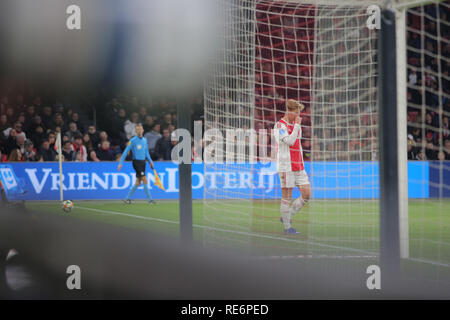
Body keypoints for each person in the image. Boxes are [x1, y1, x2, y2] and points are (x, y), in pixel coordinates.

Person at [273, 99, 311, 234]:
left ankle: (286, 216)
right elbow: (290, 141)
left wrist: (296, 126)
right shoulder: (279, 126)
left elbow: (297, 143)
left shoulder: (296, 124)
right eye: (296, 113)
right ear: (288, 111)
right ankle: (288, 227)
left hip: (299, 166)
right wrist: (296, 126)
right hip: (286, 167)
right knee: (287, 197)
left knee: (307, 194)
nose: (298, 116)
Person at [118, 124, 156, 204]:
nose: (139, 131)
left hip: (143, 162)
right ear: (135, 131)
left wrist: (150, 161)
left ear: (143, 130)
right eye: (137, 129)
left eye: (140, 129)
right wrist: (121, 163)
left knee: (138, 182)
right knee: (144, 179)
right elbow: (125, 151)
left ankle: (127, 198)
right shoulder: (133, 140)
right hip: (136, 162)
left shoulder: (145, 140)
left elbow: (146, 152)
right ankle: (150, 200)